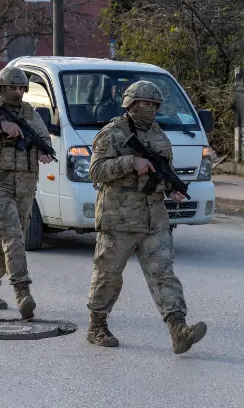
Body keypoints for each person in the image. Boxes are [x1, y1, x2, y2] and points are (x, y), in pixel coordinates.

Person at [85, 80, 207, 353]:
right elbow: (95, 172)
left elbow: (162, 171)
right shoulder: (111, 134)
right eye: (144, 104)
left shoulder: (159, 135)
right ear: (130, 105)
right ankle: (97, 324)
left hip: (154, 219)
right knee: (109, 274)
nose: (149, 109)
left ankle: (179, 329)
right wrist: (131, 162)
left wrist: (170, 188)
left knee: (164, 274)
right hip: (118, 218)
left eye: (154, 105)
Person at [0, 66, 54, 320]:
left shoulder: (29, 113)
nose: (17, 92)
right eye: (12, 88)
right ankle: (22, 291)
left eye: (21, 88)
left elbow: (43, 137)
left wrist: (43, 150)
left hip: (25, 185)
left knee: (10, 237)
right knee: (13, 237)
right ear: (1, 89)